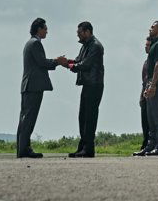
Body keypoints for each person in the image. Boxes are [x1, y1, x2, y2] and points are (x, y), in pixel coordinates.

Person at [17, 17, 69, 158]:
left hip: (29, 86)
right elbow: (42, 63)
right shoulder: (35, 44)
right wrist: (57, 61)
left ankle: (22, 148)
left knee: (25, 117)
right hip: (33, 86)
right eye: (45, 28)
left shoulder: (30, 43)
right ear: (39, 29)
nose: (47, 31)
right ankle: (24, 149)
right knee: (29, 118)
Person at [68, 21, 104, 158]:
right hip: (88, 84)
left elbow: (86, 64)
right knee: (82, 116)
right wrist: (67, 63)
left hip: (94, 85)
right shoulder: (86, 46)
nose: (78, 36)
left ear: (87, 32)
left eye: (79, 33)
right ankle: (83, 147)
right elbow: (78, 61)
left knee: (89, 117)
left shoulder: (95, 46)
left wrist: (71, 66)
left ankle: (88, 149)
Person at [140, 20, 158, 156]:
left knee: (157, 113)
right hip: (151, 80)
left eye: (153, 27)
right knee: (150, 114)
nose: (149, 29)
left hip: (157, 80)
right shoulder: (154, 44)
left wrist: (153, 84)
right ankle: (150, 145)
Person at [133, 36, 153, 156]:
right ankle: (145, 144)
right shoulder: (146, 61)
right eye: (145, 45)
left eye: (148, 45)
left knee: (151, 122)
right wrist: (141, 96)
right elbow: (144, 81)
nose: (146, 47)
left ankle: (149, 145)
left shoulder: (153, 61)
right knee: (144, 122)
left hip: (150, 94)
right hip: (144, 94)